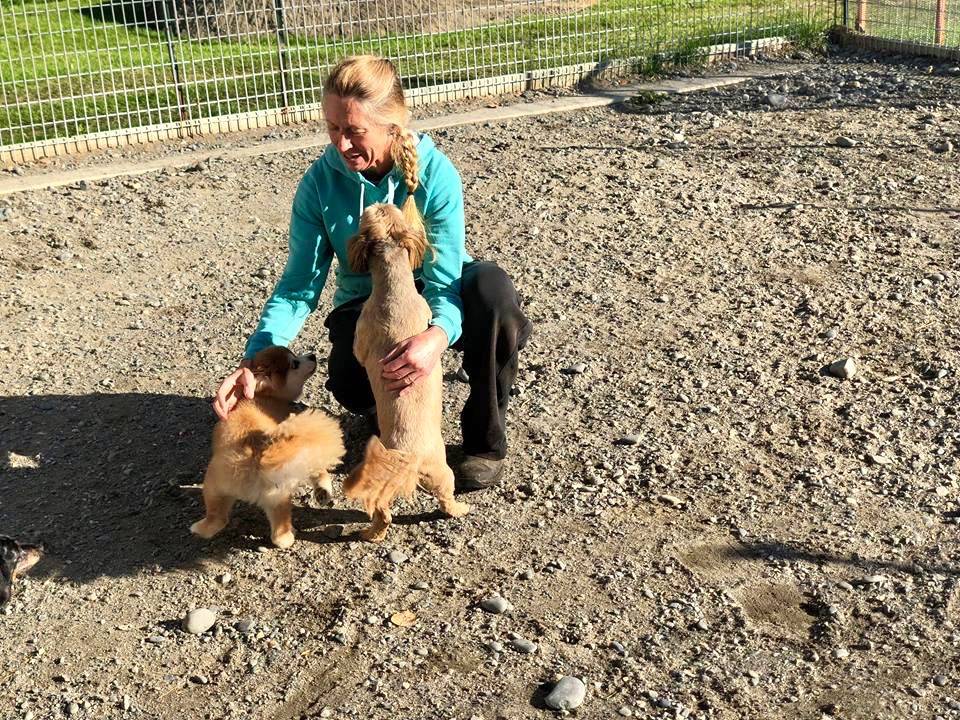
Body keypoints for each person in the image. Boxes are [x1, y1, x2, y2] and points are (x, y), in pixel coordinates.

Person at [212, 55, 531, 489]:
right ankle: (390, 418)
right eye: (333, 128)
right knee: (350, 384)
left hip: (433, 287)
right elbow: (297, 287)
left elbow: (444, 279)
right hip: (366, 301)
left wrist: (435, 338)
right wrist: (256, 358)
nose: (341, 145)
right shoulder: (319, 184)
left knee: (494, 294)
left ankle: (483, 441)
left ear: (392, 127)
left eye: (355, 131)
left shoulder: (436, 173)